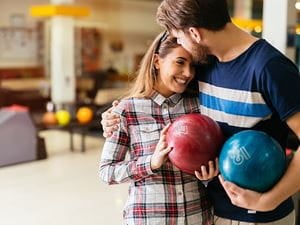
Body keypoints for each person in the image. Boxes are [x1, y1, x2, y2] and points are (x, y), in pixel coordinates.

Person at [101, 0, 300, 224]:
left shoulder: (270, 67)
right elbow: (165, 100)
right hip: (211, 213)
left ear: (194, 33)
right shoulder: (203, 66)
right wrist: (114, 116)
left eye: (178, 38)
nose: (179, 44)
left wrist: (267, 201)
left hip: (262, 218)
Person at [99, 31, 218, 225]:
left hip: (198, 217)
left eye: (192, 66)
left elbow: (215, 152)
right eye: (180, 62)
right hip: (149, 219)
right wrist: (151, 163)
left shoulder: (200, 106)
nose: (188, 73)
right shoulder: (127, 110)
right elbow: (107, 172)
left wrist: (212, 174)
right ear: (157, 61)